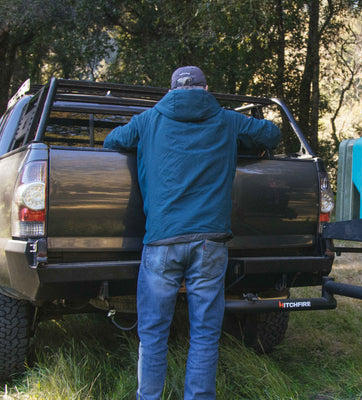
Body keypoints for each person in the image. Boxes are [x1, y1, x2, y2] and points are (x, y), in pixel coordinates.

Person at [103, 66, 281, 400]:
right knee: (205, 333)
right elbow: (271, 134)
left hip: (161, 241)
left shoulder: (148, 120)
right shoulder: (226, 119)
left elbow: (113, 140)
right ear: (205, 88)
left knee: (153, 333)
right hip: (210, 244)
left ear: (171, 91)